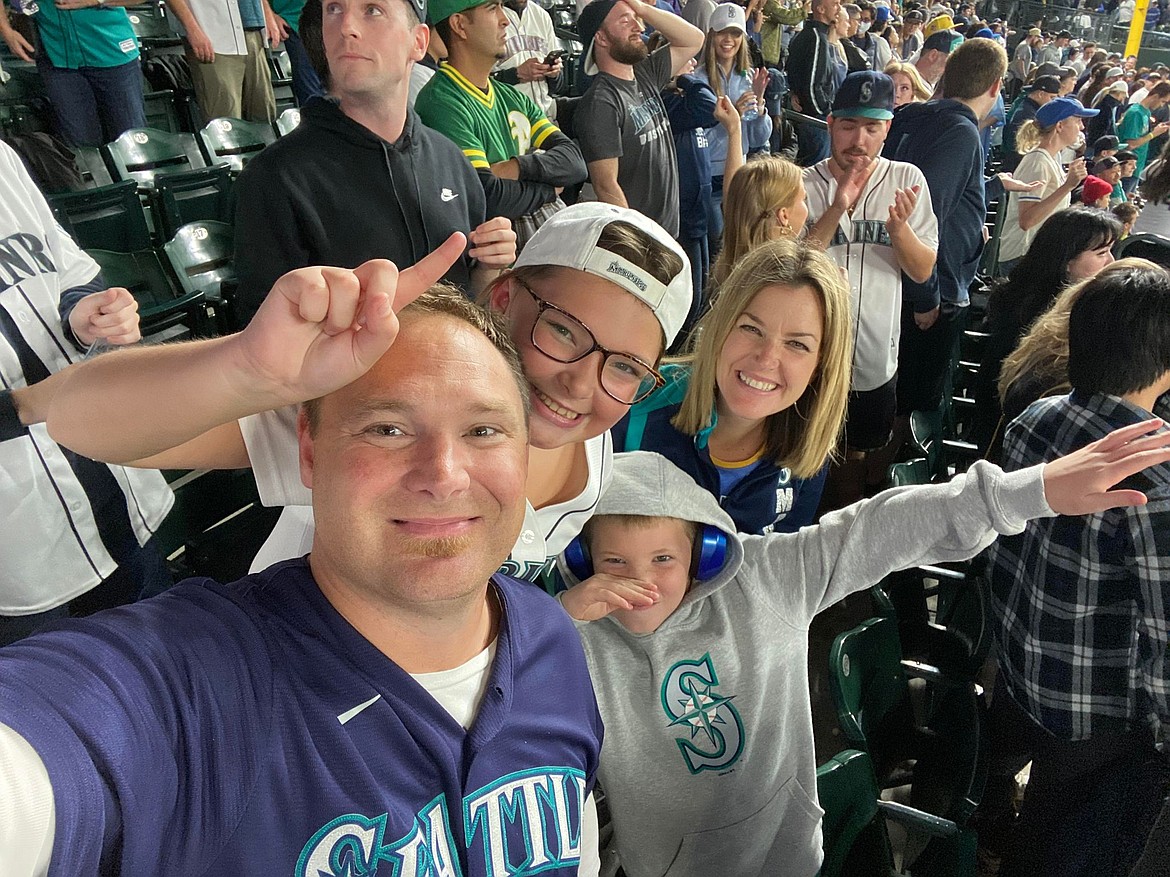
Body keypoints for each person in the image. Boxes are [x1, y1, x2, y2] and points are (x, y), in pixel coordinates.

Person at [3, 279, 606, 875]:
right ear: (310, 455)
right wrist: (239, 367)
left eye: (483, 430)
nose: (444, 475)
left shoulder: (550, 637)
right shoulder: (197, 691)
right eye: (387, 429)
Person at [557, 410, 1170, 877]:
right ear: (584, 561)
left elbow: (879, 525)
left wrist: (1029, 492)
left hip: (790, 855)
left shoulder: (765, 579)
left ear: (703, 550)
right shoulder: (568, 641)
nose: (641, 581)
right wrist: (553, 627)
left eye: (664, 557)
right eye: (615, 560)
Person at [47, 202, 694, 588]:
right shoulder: (387, 391)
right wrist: (251, 369)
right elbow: (93, 428)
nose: (581, 380)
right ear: (502, 298)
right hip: (298, 700)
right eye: (564, 330)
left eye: (626, 367)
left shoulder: (592, 451)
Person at [989, 260, 1170, 877]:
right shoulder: (1156, 472)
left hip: (1017, 668)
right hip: (1092, 713)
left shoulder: (1034, 417)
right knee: (1069, 842)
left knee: (1038, 821)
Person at [230, 0, 517, 325]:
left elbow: (472, 305)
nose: (346, 27)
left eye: (372, 10)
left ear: (418, 42)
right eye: (334, 10)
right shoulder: (274, 179)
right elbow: (263, 341)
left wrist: (487, 268)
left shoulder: (451, 160)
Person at [0, 139, 174, 647]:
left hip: (107, 473)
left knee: (159, 663)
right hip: (18, 538)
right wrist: (28, 405)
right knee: (64, 709)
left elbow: (69, 272)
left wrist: (87, 315)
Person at [612, 238, 837, 535]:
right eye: (751, 328)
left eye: (797, 344)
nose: (767, 358)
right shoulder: (632, 400)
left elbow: (784, 570)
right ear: (720, 326)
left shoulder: (808, 448)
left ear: (821, 364)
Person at [883, 38, 1039, 425]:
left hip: (898, 281)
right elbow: (922, 215)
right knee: (908, 408)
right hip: (929, 294)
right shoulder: (960, 132)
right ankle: (872, 483)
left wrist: (989, 191)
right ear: (996, 85)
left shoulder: (913, 116)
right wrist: (926, 297)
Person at [804, 70, 938, 503]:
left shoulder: (907, 179)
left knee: (855, 458)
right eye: (848, 125)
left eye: (871, 127)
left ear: (887, 129)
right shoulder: (802, 184)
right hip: (809, 353)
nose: (858, 139)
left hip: (874, 354)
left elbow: (921, 271)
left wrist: (899, 231)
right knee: (802, 454)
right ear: (830, 124)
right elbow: (789, 265)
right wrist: (838, 206)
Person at [416, 0, 586, 248]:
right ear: (460, 25)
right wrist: (548, 190)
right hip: (488, 257)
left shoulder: (511, 96)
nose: (504, 19)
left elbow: (574, 162)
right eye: (492, 8)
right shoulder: (441, 102)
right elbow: (486, 197)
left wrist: (514, 168)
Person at [972, 207, 1121, 458]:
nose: (1111, 263)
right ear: (1067, 261)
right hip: (1010, 436)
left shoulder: (1028, 295)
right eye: (1102, 253)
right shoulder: (1044, 315)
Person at [573, 0, 705, 238]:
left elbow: (693, 39)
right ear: (601, 38)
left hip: (666, 232)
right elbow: (606, 186)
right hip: (642, 241)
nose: (639, 27)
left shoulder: (645, 72)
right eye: (625, 21)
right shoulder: (600, 102)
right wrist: (637, 242)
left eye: (637, 19)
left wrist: (641, 8)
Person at [661, 57, 743, 334]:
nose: (693, 63)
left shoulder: (682, 103)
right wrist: (683, 78)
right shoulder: (669, 104)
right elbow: (708, 105)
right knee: (688, 301)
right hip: (682, 217)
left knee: (703, 294)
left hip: (700, 209)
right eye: (685, 60)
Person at [0, 0, 146, 146]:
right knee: (80, 147)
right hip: (57, 60)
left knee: (131, 142)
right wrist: (6, 31)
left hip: (113, 53)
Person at [693, 3, 773, 248]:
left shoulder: (748, 78)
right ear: (712, 35)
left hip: (742, 174)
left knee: (743, 246)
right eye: (722, 32)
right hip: (709, 178)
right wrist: (732, 117)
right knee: (720, 246)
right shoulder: (697, 80)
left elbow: (759, 139)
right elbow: (697, 136)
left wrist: (760, 107)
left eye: (735, 33)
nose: (729, 39)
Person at [996, 97, 1094, 274]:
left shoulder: (1052, 158)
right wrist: (1067, 186)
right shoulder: (1037, 161)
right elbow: (1027, 220)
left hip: (1036, 253)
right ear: (1059, 126)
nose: (1082, 127)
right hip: (1023, 256)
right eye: (1078, 120)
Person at [167, 0, 277, 122]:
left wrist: (267, 12)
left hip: (254, 28)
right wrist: (192, 29)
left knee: (263, 114)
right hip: (211, 33)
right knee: (226, 121)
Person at [786, 0, 842, 165]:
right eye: (835, 3)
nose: (838, 8)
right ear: (821, 9)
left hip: (808, 118)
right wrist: (824, 113)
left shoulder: (810, 34)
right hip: (813, 121)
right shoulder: (816, 38)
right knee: (813, 176)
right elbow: (812, 84)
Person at [494, 0, 562, 122]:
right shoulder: (489, 19)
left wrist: (553, 73)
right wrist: (516, 74)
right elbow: (477, 82)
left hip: (546, 117)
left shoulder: (541, 15)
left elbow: (557, 87)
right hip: (507, 120)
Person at [1001, 74, 1060, 171]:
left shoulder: (1027, 105)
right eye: (1052, 98)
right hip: (1017, 167)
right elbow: (1023, 149)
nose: (1053, 102)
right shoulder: (1027, 115)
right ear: (1040, 94)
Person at [1116, 81, 1170, 179]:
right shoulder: (1136, 113)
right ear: (1155, 96)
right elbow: (1130, 144)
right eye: (1163, 101)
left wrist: (1158, 129)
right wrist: (1154, 134)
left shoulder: (1146, 112)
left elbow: (1142, 135)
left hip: (1137, 168)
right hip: (1127, 169)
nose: (1162, 106)